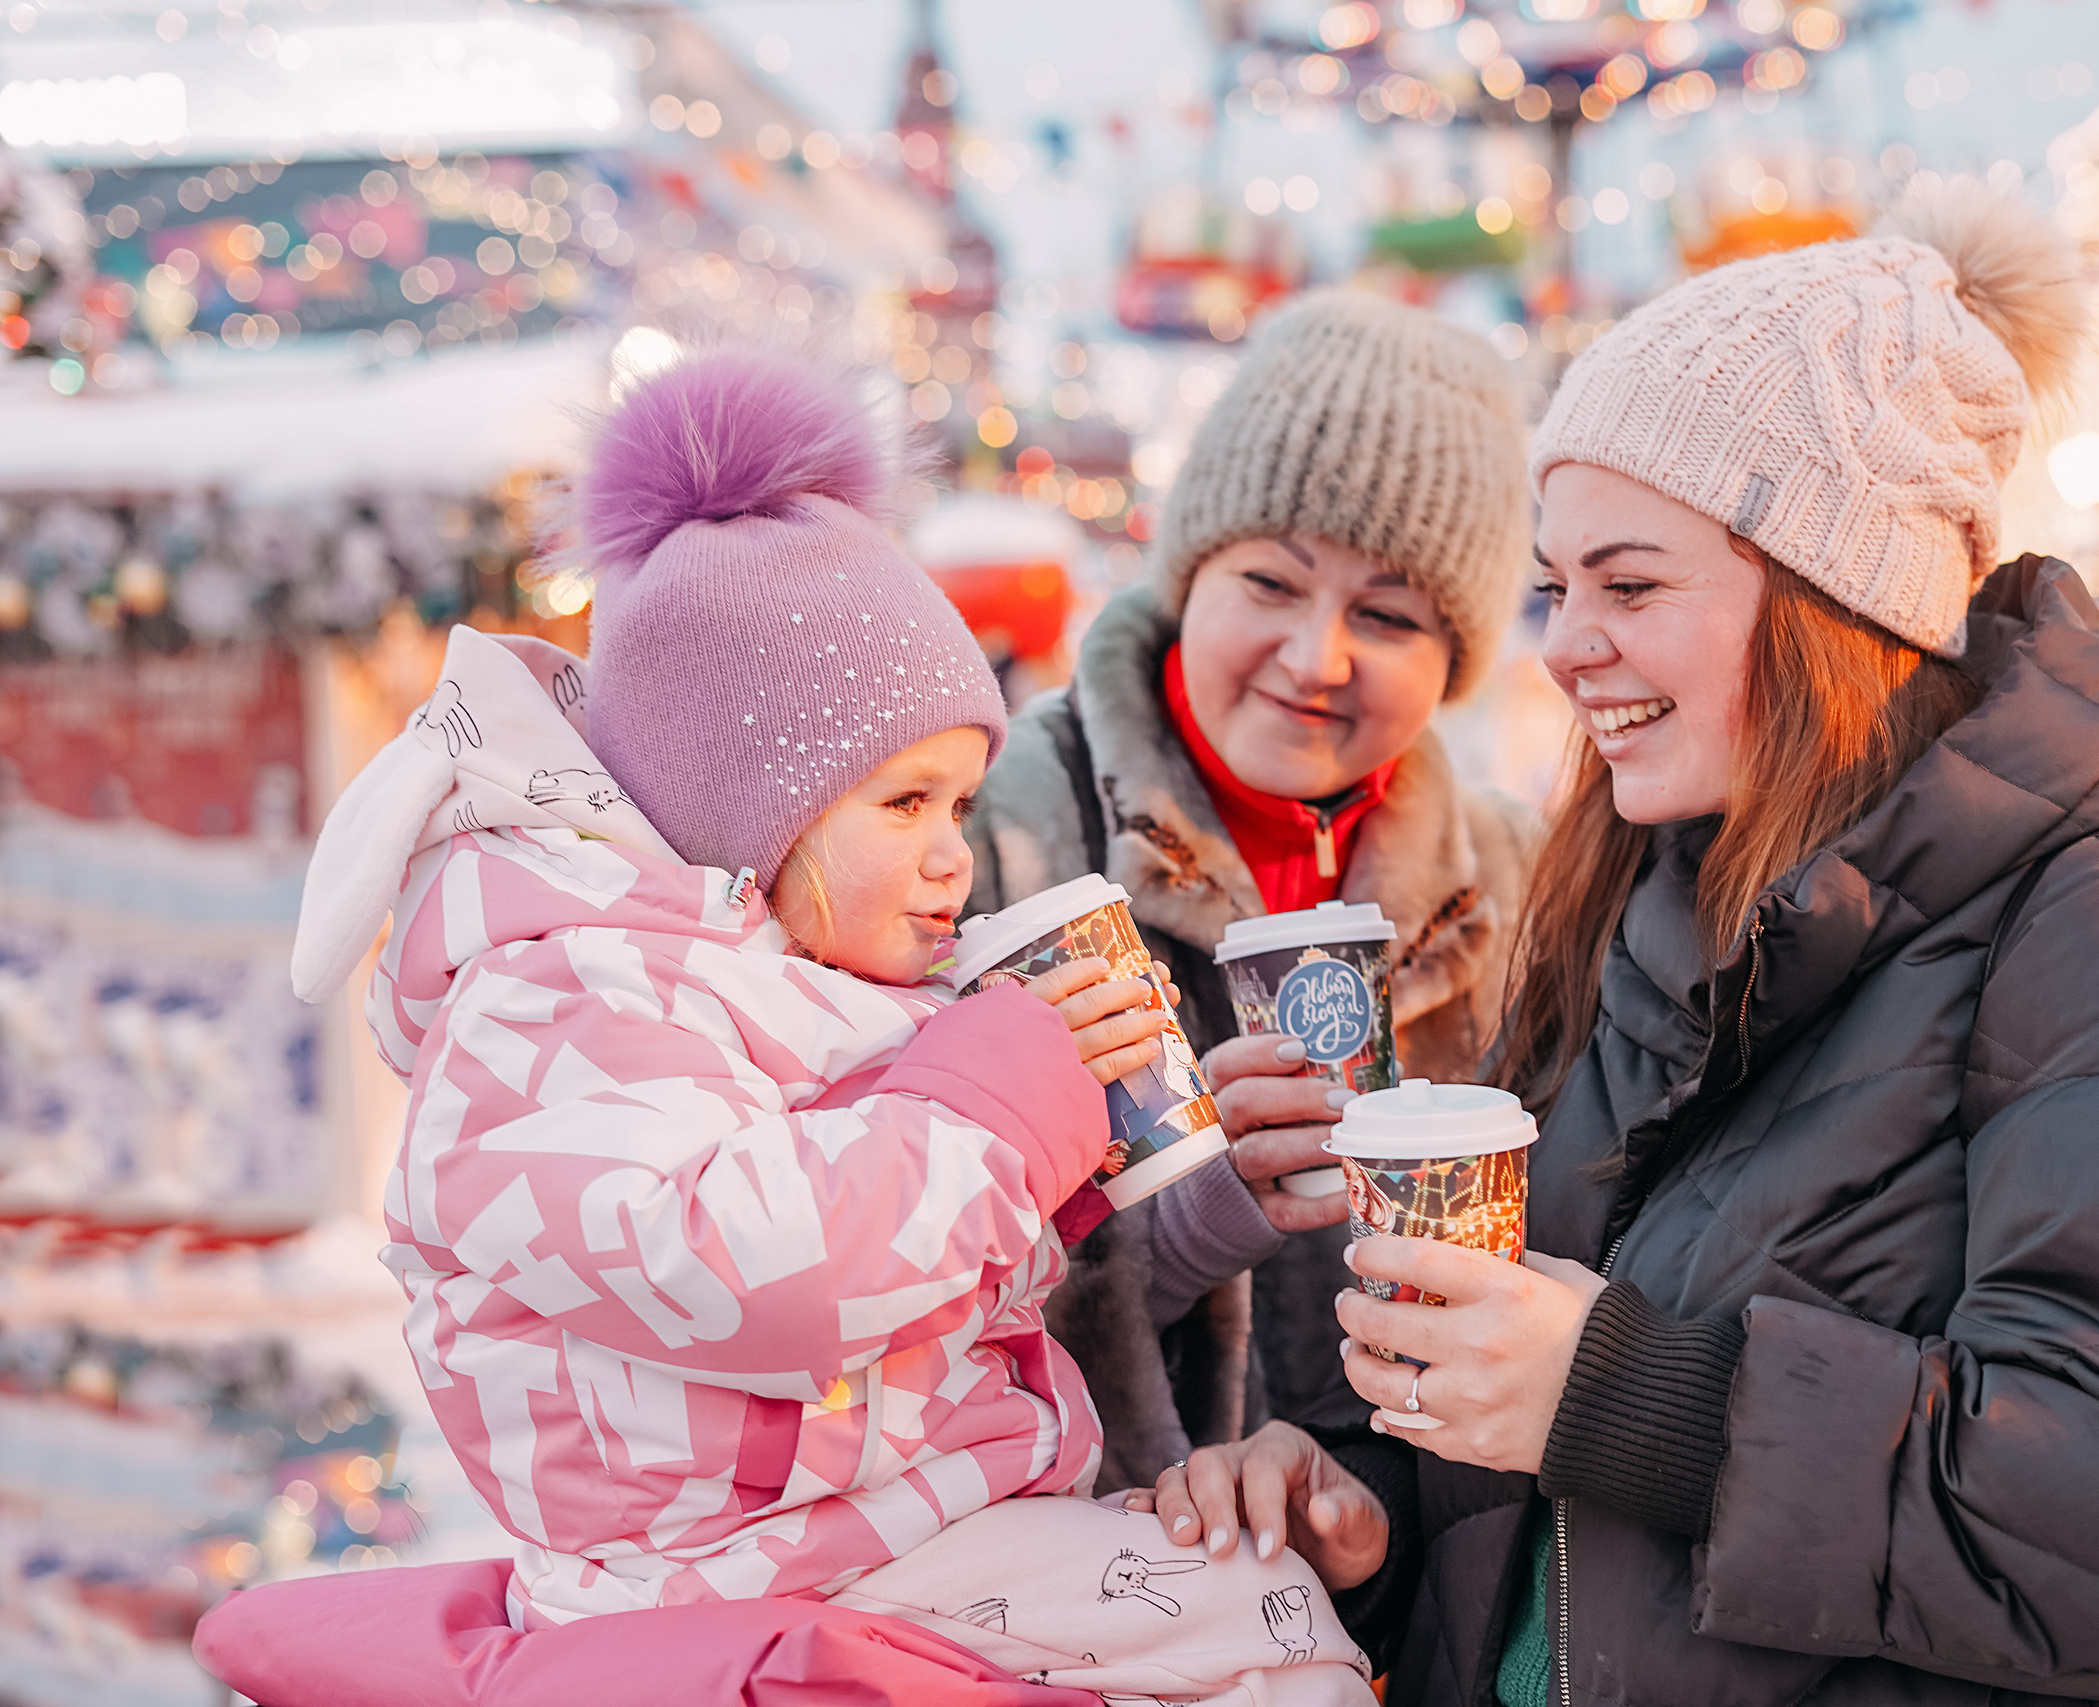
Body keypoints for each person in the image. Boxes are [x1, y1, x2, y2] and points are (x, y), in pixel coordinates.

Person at [1135, 186, 2099, 1707]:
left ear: (1833, 594)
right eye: (1557, 585)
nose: (1566, 644)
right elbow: (1567, 1469)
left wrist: (1629, 1397)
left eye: (1629, 583)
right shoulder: (1664, 916)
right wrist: (1373, 1508)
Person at [243, 350, 1373, 1707]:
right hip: (738, 1569)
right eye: (904, 803)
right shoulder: (558, 1003)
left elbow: (904, 1245)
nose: (952, 855)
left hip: (869, 1531)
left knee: (1259, 1612)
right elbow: (750, 1264)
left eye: (961, 805)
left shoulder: (789, 978)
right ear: (745, 806)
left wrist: (1107, 1171)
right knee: (1260, 1629)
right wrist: (1003, 1096)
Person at [966, 292, 1534, 1485]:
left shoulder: (1511, 883)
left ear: (1454, 659)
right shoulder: (998, 840)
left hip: (1421, 1558)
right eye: (1272, 583)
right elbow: (900, 1282)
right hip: (1110, 1560)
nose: (1316, 658)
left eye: (1387, 615)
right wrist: (1182, 1228)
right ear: (1192, 572)